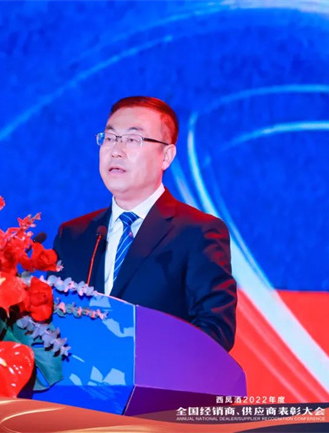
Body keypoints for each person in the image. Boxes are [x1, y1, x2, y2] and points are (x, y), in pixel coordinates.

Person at [52, 96, 237, 351]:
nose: (116, 151)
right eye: (110, 138)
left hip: (161, 376)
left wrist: (139, 353)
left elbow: (216, 332)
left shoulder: (198, 233)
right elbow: (51, 323)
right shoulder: (73, 236)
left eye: (132, 139)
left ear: (166, 156)